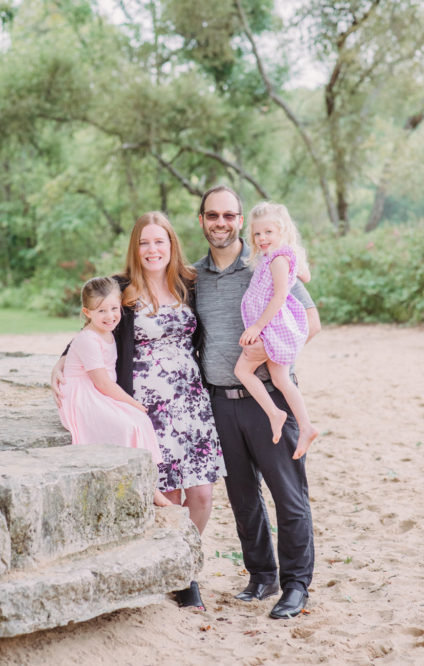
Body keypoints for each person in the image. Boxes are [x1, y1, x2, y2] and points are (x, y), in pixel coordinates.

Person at [53, 212, 226, 611]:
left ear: (171, 245)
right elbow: (92, 328)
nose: (152, 250)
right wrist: (61, 360)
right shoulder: (121, 290)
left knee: (200, 492)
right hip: (147, 403)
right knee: (165, 492)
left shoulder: (189, 284)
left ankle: (185, 556)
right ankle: (184, 578)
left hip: (191, 399)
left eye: (159, 242)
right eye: (145, 243)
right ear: (136, 247)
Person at [194, 185, 321, 620]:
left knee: (288, 497)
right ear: (202, 221)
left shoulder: (266, 261)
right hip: (218, 401)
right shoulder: (196, 276)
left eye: (230, 215)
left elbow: (311, 322)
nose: (222, 223)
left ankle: (295, 585)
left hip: (269, 399)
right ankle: (262, 575)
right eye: (213, 216)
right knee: (243, 498)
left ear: (241, 221)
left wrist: (269, 352)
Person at [57, 276, 172, 508]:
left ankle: (150, 483)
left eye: (114, 308)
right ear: (87, 312)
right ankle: (149, 488)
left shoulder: (108, 333)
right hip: (83, 394)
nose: (110, 316)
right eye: (101, 311)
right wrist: (132, 403)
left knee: (140, 420)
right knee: (129, 424)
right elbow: (102, 383)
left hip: (99, 390)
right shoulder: (88, 339)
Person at [235, 202, 319, 458]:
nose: (261, 239)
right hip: (276, 327)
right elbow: (305, 275)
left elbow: (280, 294)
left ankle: (275, 413)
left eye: (268, 232)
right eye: (257, 234)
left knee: (242, 370)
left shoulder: (277, 259)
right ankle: (306, 426)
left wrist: (257, 326)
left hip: (271, 327)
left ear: (282, 231)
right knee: (281, 379)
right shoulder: (281, 255)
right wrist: (298, 264)